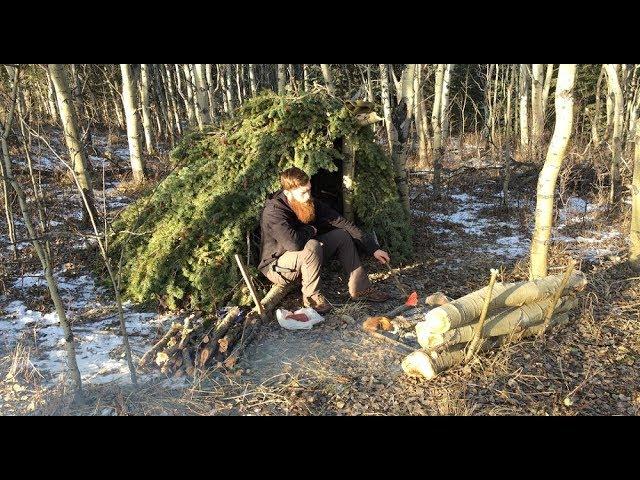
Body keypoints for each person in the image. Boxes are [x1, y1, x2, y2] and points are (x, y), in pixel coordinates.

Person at [258, 166, 391, 313]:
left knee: (341, 235)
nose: (308, 196)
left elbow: (343, 223)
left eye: (309, 190)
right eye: (303, 192)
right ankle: (313, 300)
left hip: (304, 259)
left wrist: (373, 248)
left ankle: (361, 289)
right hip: (277, 268)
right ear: (287, 192)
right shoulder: (274, 211)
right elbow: (293, 243)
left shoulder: (308, 202)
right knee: (312, 245)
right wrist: (311, 230)